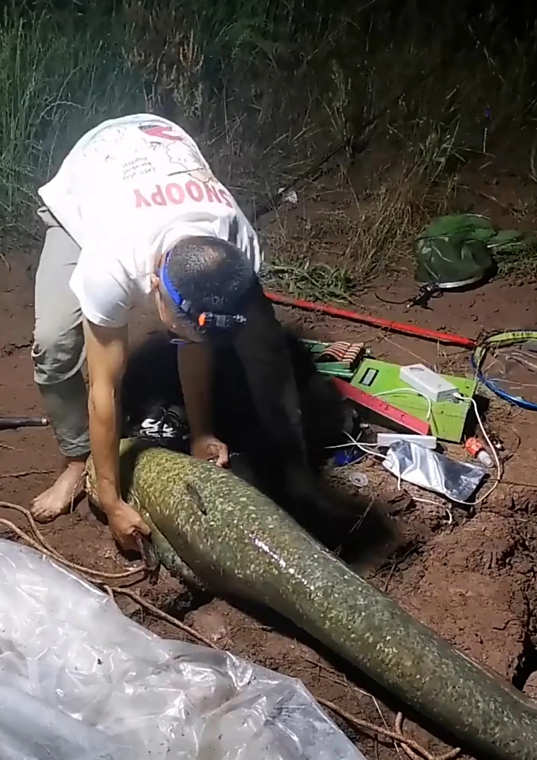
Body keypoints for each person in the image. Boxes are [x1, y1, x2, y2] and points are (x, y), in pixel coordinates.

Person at [32, 112, 347, 551]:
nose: (189, 339)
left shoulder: (237, 246)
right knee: (55, 344)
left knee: (256, 344)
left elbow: (197, 339)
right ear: (155, 285)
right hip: (91, 176)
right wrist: (111, 501)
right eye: (181, 327)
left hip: (161, 149)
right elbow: (104, 388)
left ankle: (293, 471)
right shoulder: (110, 264)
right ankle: (74, 461)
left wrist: (201, 433)